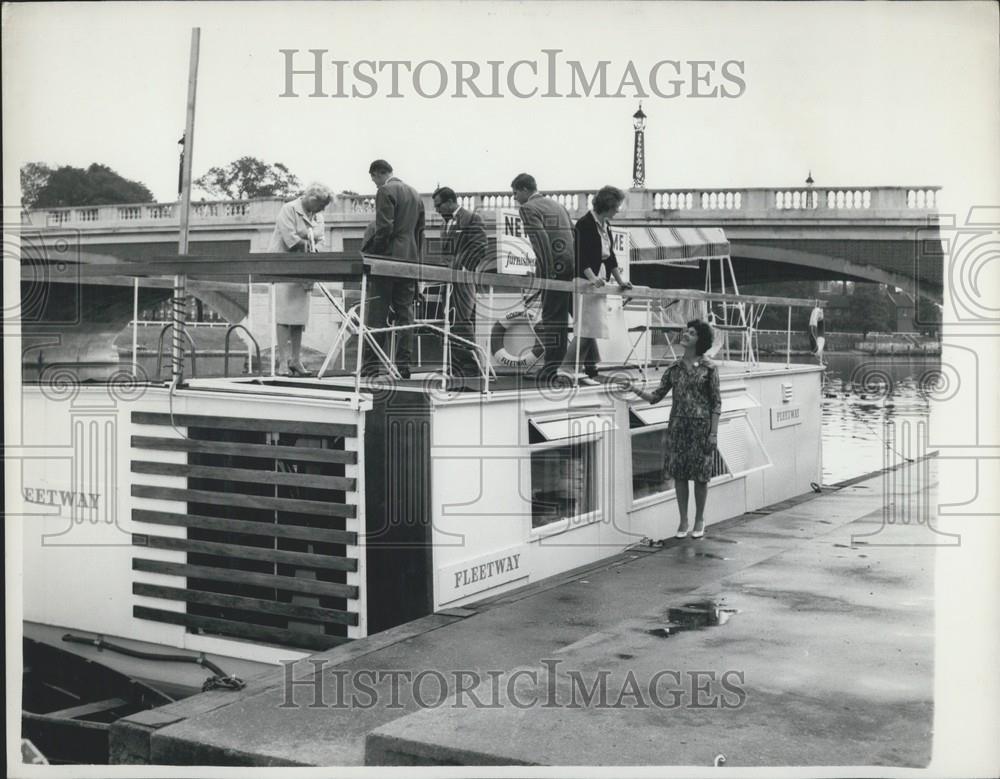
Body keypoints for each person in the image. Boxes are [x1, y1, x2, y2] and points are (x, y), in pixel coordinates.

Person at [631, 319, 721, 539]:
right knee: (680, 475)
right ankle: (683, 520)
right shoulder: (674, 369)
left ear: (700, 339)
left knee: (701, 476)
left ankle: (700, 519)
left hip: (701, 428)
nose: (686, 335)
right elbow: (655, 397)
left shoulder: (710, 368)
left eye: (691, 333)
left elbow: (716, 403)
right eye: (686, 332)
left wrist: (713, 433)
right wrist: (634, 389)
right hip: (678, 428)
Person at [361, 159, 425, 379]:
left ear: (378, 174)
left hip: (387, 260)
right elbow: (419, 233)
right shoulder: (416, 194)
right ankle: (403, 365)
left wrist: (374, 254)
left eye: (374, 179)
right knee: (405, 314)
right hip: (409, 260)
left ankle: (370, 366)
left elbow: (384, 227)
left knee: (377, 314)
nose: (375, 184)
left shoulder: (386, 191)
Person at [511, 173, 575, 381]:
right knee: (577, 318)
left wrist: (547, 275)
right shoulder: (557, 206)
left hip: (555, 271)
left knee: (553, 320)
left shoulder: (528, 208)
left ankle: (551, 370)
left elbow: (541, 241)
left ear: (524, 190)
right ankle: (587, 365)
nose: (514, 198)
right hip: (572, 268)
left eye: (515, 193)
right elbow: (574, 236)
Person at [267, 183, 333, 376]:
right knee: (283, 316)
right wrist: (310, 242)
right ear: (312, 200)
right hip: (284, 267)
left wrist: (311, 244)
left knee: (299, 318)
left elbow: (321, 240)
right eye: (321, 205)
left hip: (305, 268)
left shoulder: (318, 215)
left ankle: (296, 360)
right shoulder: (288, 210)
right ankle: (282, 362)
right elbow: (291, 240)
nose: (322, 210)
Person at [574, 185, 632, 384]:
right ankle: (571, 368)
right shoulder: (584, 224)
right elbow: (579, 256)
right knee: (587, 327)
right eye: (616, 206)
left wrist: (620, 281)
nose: (618, 210)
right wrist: (591, 278)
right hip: (586, 279)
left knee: (593, 327)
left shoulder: (605, 225)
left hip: (598, 279)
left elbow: (610, 257)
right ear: (608, 205)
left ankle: (587, 368)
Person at [432, 186, 487, 378]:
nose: (437, 210)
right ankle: (455, 366)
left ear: (449, 202)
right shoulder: (445, 223)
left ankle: (471, 367)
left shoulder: (472, 219)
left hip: (463, 279)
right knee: (449, 321)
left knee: (460, 320)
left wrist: (465, 268)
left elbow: (480, 245)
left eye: (439, 206)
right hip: (448, 279)